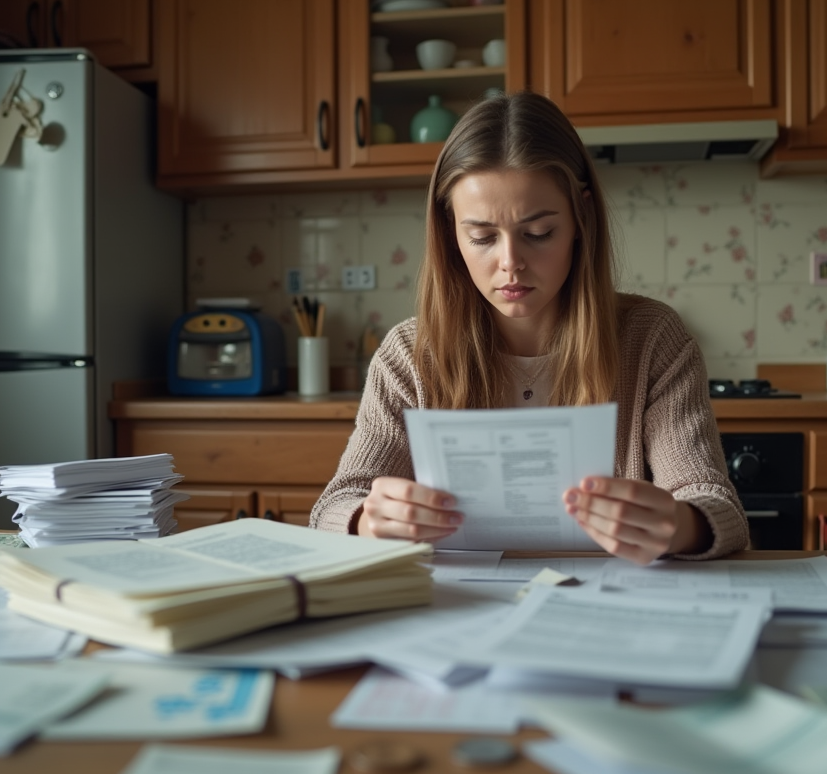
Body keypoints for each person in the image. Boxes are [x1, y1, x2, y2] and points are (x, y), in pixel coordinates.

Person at [309, 91, 747, 564]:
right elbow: (333, 506)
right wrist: (366, 521)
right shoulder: (409, 354)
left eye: (538, 234)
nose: (510, 263)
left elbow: (716, 504)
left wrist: (681, 525)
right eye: (481, 237)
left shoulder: (652, 338)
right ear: (449, 231)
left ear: (580, 216)